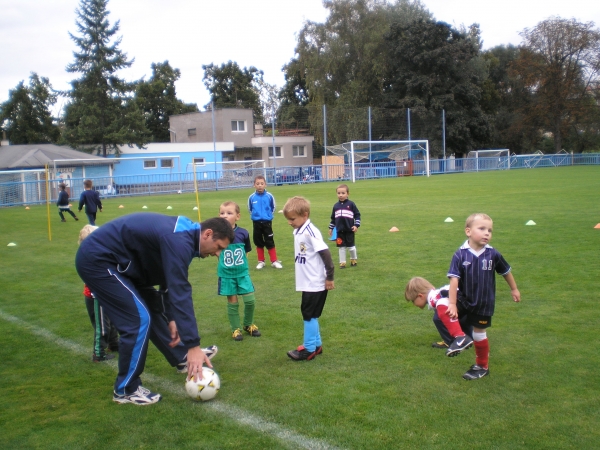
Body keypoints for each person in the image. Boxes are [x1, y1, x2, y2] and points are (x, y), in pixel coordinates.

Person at [75, 212, 234, 405]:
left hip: (126, 265)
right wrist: (193, 345)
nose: (217, 254)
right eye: (219, 247)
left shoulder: (187, 238)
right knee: (137, 319)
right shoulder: (179, 240)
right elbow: (180, 291)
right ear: (208, 234)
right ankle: (125, 389)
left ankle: (181, 357)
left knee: (153, 310)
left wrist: (172, 317)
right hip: (98, 261)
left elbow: (168, 277)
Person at [447, 213, 521, 380]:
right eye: (482, 229)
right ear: (468, 231)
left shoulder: (493, 254)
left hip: (483, 303)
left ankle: (482, 366)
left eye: (490, 230)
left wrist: (514, 289)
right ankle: (461, 338)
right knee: (443, 307)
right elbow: (454, 279)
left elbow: (506, 271)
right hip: (463, 299)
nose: (487, 233)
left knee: (479, 333)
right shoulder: (460, 254)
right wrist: (452, 303)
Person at [282, 196, 334, 361]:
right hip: (308, 282)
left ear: (305, 215)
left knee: (308, 314)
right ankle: (316, 345)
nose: (290, 222)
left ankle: (308, 349)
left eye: (292, 219)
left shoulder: (310, 232)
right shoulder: (299, 230)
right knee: (311, 314)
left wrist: (329, 277)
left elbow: (326, 255)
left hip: (315, 282)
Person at [218, 201, 262, 341]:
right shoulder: (217, 234)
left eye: (229, 213)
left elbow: (246, 250)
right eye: (222, 213)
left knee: (250, 300)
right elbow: (214, 250)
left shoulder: (243, 233)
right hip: (227, 275)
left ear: (237, 216)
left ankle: (248, 324)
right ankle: (236, 329)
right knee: (233, 302)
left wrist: (240, 264)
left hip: (242, 273)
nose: (225, 216)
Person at [404, 277, 473, 355]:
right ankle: (468, 336)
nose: (414, 304)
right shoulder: (436, 293)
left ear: (420, 296)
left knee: (438, 318)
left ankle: (451, 341)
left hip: (464, 301)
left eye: (413, 301)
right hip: (469, 301)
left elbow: (444, 302)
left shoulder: (434, 298)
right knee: (451, 314)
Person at [79, 224, 118, 362]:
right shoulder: (89, 257)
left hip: (106, 294)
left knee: (112, 321)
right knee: (102, 326)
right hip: (96, 296)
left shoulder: (97, 253)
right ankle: (98, 353)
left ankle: (114, 344)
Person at [247, 175, 282, 269]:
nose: (260, 185)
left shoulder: (269, 196)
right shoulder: (252, 197)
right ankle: (261, 261)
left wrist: (268, 216)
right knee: (258, 242)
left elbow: (273, 207)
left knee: (269, 241)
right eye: (257, 184)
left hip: (267, 223)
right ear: (254, 185)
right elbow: (250, 209)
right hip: (256, 223)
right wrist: (256, 216)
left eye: (262, 183)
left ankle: (274, 261)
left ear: (265, 185)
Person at [328, 184, 361, 269]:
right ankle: (342, 262)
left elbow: (357, 215)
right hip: (339, 231)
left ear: (348, 194)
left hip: (349, 230)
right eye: (339, 193)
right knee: (341, 247)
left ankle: (353, 259)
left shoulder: (351, 204)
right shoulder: (336, 206)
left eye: (343, 193)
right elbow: (333, 219)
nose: (341, 195)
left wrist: (356, 225)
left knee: (351, 247)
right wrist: (331, 228)